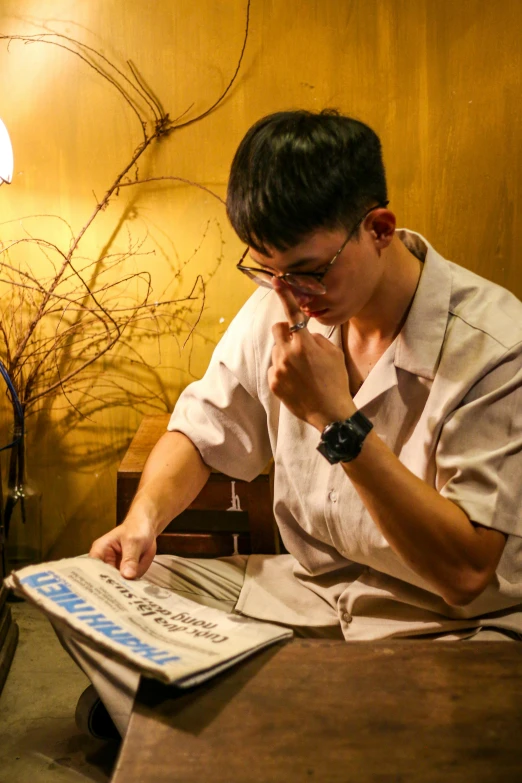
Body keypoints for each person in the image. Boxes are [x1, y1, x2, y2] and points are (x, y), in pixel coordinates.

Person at [64, 110, 522, 737]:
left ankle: (233, 721)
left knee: (465, 722)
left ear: (379, 229)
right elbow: (200, 431)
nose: (288, 293)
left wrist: (337, 419)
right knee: (100, 597)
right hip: (306, 593)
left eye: (310, 269)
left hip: (447, 625)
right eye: (265, 269)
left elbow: (465, 574)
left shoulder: (494, 349)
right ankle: (279, 720)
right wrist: (143, 521)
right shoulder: (282, 301)